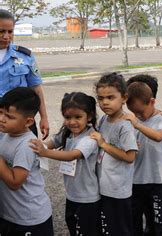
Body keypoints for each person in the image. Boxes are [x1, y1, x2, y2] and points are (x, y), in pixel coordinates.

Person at [29, 92, 100, 236]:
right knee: (73, 226)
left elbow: (71, 155)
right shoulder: (68, 133)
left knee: (87, 230)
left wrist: (45, 152)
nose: (72, 122)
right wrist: (38, 146)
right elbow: (51, 142)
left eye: (78, 117)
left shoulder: (91, 138)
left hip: (88, 197)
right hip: (72, 194)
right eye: (67, 117)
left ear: (90, 116)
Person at [127, 74, 162, 236]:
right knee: (134, 219)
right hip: (135, 181)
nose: (138, 115)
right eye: (134, 112)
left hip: (158, 181)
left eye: (140, 111)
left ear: (152, 101)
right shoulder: (130, 120)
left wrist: (137, 124)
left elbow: (158, 136)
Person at [0, 87, 53, 235]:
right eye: (0, 113)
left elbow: (15, 182)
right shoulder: (7, 134)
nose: (1, 119)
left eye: (9, 117)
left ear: (28, 121)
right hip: (11, 215)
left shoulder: (26, 145)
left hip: (29, 219)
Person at [90, 72, 138, 236]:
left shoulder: (124, 125)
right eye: (100, 98)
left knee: (121, 228)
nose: (104, 102)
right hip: (104, 186)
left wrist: (103, 144)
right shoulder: (104, 120)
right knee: (108, 227)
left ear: (124, 98)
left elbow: (130, 157)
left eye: (110, 97)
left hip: (118, 190)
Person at [0, 9, 49, 139]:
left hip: (20, 123)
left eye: (10, 32)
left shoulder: (24, 56)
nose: (6, 36)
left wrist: (44, 117)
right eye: (1, 31)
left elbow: (36, 88)